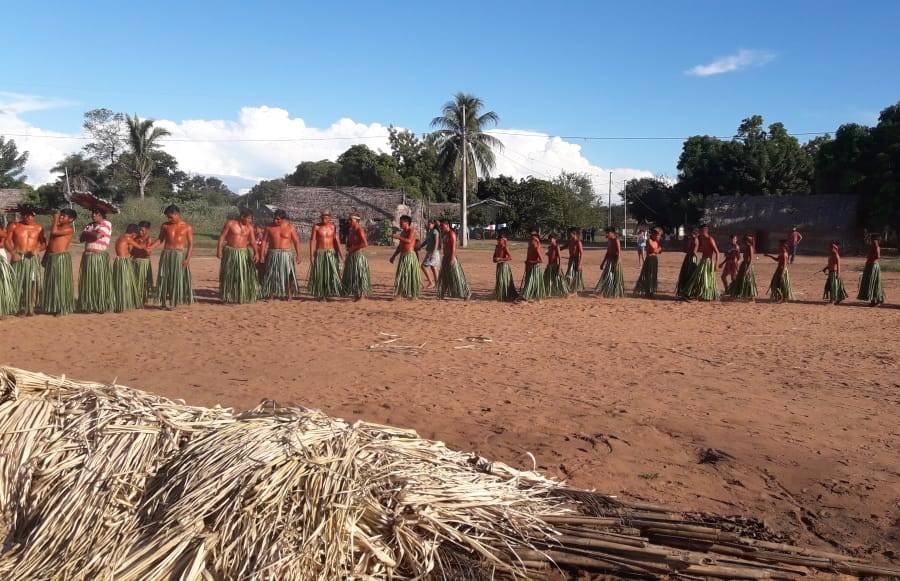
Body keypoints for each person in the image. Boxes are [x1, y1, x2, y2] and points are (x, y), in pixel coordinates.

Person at [4, 207, 46, 316]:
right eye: (26, 215)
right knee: (17, 282)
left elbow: (43, 244)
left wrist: (37, 249)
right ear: (23, 215)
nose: (29, 217)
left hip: (31, 259)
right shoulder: (14, 226)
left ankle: (29, 307)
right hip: (18, 257)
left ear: (34, 215)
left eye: (31, 215)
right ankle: (18, 307)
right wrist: (13, 253)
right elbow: (6, 241)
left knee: (31, 282)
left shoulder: (39, 228)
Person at [216, 209, 260, 304]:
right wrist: (219, 250)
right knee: (229, 275)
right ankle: (228, 297)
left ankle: (241, 296)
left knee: (242, 276)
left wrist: (256, 253)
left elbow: (252, 241)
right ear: (242, 217)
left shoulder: (250, 227)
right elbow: (222, 237)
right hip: (230, 252)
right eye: (248, 218)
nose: (250, 220)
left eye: (251, 218)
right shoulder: (230, 224)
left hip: (243, 253)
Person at [39, 209, 77, 316]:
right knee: (52, 282)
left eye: (63, 216)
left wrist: (55, 218)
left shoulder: (69, 229)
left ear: (71, 219)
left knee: (60, 282)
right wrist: (45, 257)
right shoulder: (57, 227)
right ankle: (53, 305)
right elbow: (51, 243)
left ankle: (62, 307)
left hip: (61, 258)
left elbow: (54, 232)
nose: (60, 217)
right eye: (60, 215)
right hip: (51, 257)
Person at [156, 204, 195, 310]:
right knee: (164, 277)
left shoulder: (187, 227)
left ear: (177, 214)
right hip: (167, 254)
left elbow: (191, 244)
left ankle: (174, 302)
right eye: (167, 217)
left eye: (170, 217)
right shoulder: (165, 226)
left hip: (179, 255)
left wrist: (187, 259)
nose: (169, 219)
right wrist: (151, 247)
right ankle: (163, 302)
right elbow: (160, 239)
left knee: (176, 279)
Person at [76, 208, 113, 314]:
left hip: (98, 256)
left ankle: (101, 305)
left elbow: (97, 236)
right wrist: (90, 232)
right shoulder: (89, 225)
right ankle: (89, 304)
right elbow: (81, 239)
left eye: (96, 214)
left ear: (102, 215)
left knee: (99, 280)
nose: (93, 215)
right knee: (88, 281)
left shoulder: (106, 224)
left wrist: (88, 232)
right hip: (88, 255)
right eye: (93, 213)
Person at [260, 209, 302, 300]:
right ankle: (271, 295)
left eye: (278, 219)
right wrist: (262, 255)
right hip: (273, 253)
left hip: (286, 254)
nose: (275, 220)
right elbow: (264, 241)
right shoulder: (269, 227)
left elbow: (296, 241)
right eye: (274, 218)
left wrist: (298, 255)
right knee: (271, 275)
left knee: (288, 275)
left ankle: (289, 294)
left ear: (283, 219)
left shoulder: (290, 227)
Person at [308, 211, 343, 300]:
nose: (324, 219)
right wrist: (311, 255)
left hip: (331, 253)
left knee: (331, 274)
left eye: (326, 218)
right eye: (323, 217)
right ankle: (321, 294)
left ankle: (328, 292)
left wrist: (341, 254)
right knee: (320, 274)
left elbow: (336, 241)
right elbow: (312, 240)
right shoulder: (316, 227)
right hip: (320, 253)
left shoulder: (333, 227)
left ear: (330, 218)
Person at [112, 224, 145, 313]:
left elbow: (127, 250)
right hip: (123, 262)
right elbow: (140, 247)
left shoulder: (120, 237)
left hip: (118, 261)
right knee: (125, 282)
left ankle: (120, 302)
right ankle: (123, 304)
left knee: (120, 282)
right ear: (133, 233)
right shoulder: (127, 238)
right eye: (135, 235)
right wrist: (143, 243)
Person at [436, 220, 471, 300]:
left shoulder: (451, 234)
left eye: (442, 226)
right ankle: (441, 294)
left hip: (451, 258)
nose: (441, 228)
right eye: (440, 227)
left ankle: (466, 293)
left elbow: (453, 248)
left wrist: (452, 259)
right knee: (444, 276)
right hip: (445, 258)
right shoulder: (444, 234)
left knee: (457, 277)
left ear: (447, 225)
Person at [341, 213, 372, 300]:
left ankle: (361, 294)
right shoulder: (352, 230)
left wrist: (353, 248)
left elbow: (365, 244)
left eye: (351, 220)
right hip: (352, 255)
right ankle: (356, 294)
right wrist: (348, 247)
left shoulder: (359, 230)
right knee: (353, 275)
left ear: (357, 221)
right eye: (349, 220)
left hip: (358, 256)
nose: (349, 221)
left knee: (359, 275)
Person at [685, 225, 720, 301]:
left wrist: (716, 265)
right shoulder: (703, 239)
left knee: (707, 279)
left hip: (708, 262)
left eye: (701, 231)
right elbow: (701, 248)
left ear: (705, 230)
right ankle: (699, 294)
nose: (699, 232)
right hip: (703, 261)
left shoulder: (710, 239)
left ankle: (707, 295)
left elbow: (717, 252)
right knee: (698, 278)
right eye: (699, 231)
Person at [392, 215, 421, 299]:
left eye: (401, 222)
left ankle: (413, 294)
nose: (400, 224)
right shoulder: (402, 232)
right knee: (401, 275)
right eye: (400, 222)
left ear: (407, 222)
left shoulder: (412, 231)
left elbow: (409, 241)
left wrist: (398, 237)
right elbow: (400, 246)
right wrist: (393, 256)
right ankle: (400, 293)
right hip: (403, 256)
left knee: (410, 275)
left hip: (410, 256)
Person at [595, 227, 625, 298]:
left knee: (615, 278)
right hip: (609, 261)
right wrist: (603, 263)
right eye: (606, 233)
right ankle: (605, 292)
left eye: (608, 233)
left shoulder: (616, 240)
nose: (607, 234)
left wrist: (616, 264)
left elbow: (619, 252)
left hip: (615, 261)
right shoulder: (609, 241)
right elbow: (608, 252)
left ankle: (615, 293)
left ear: (612, 233)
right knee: (606, 276)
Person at [726, 234, 758, 300]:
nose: (744, 241)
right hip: (744, 264)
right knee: (741, 279)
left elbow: (751, 259)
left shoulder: (750, 247)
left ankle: (750, 295)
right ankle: (742, 293)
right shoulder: (747, 247)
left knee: (747, 280)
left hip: (747, 265)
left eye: (745, 240)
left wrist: (748, 268)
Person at [857, 234, 885, 306]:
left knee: (873, 283)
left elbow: (878, 256)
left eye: (871, 239)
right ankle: (873, 300)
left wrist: (870, 258)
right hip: (870, 265)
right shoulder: (873, 245)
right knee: (870, 283)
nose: (871, 240)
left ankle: (877, 300)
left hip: (873, 266)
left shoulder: (876, 245)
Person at [633, 228, 662, 298]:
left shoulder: (657, 241)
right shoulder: (649, 240)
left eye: (659, 235)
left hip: (655, 259)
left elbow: (660, 251)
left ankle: (651, 291)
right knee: (649, 275)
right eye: (657, 235)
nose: (659, 237)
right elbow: (654, 250)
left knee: (654, 275)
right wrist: (659, 249)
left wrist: (658, 249)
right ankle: (648, 291)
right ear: (653, 234)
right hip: (649, 260)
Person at [132, 221, 156, 305]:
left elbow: (148, 253)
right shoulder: (135, 237)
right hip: (135, 261)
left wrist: (143, 247)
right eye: (139, 230)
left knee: (143, 282)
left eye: (142, 230)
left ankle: (142, 299)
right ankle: (134, 298)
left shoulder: (148, 239)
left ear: (147, 230)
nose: (140, 232)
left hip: (143, 262)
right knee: (134, 280)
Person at [519, 229, 547, 301]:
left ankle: (529, 295)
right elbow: (528, 257)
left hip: (535, 268)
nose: (531, 238)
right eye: (531, 236)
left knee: (532, 282)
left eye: (533, 236)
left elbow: (541, 260)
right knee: (528, 281)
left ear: (536, 239)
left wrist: (531, 262)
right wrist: (527, 264)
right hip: (529, 267)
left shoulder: (536, 247)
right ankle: (528, 294)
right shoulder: (530, 247)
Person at [492, 229, 517, 301]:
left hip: (504, 267)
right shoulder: (497, 247)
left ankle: (505, 294)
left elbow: (510, 257)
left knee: (504, 281)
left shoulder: (505, 247)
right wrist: (495, 259)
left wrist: (500, 259)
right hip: (499, 267)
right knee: (499, 281)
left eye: (500, 240)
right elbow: (494, 258)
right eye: (498, 240)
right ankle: (500, 294)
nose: (499, 241)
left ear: (503, 240)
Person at [675, 227, 699, 298]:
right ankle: (686, 292)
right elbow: (685, 249)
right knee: (686, 274)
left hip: (691, 258)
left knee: (689, 274)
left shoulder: (694, 239)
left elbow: (693, 251)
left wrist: (695, 258)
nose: (686, 233)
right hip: (689, 257)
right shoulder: (690, 239)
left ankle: (689, 292)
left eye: (687, 232)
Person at [543, 233, 569, 298]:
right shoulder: (549, 247)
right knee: (548, 280)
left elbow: (560, 258)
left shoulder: (556, 247)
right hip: (549, 266)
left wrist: (559, 267)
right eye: (549, 239)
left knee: (559, 280)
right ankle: (549, 292)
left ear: (555, 239)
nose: (549, 240)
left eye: (551, 239)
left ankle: (564, 293)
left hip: (555, 266)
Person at [822, 241, 848, 305]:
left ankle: (832, 300)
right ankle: (836, 299)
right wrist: (825, 268)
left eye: (830, 248)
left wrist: (838, 274)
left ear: (834, 248)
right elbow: (830, 264)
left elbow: (838, 266)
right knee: (831, 287)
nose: (829, 249)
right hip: (831, 273)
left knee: (833, 287)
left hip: (834, 274)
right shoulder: (831, 255)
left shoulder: (836, 256)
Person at [418, 219, 441, 289]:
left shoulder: (435, 231)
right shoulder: (429, 232)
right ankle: (437, 283)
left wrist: (433, 253)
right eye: (428, 223)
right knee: (433, 267)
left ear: (433, 225)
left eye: (430, 224)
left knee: (424, 266)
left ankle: (431, 282)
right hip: (430, 252)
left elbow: (436, 243)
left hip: (433, 252)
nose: (428, 225)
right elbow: (426, 241)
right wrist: (420, 246)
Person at [563, 228, 584, 294]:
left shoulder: (578, 242)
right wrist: (556, 248)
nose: (568, 235)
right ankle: (570, 288)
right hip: (571, 259)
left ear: (574, 234)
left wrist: (580, 264)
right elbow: (564, 247)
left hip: (577, 260)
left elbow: (582, 254)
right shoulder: (570, 241)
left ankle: (575, 290)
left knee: (576, 274)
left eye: (570, 234)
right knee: (569, 274)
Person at [0, 223, 14, 317]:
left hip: (1, 253)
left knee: (3, 280)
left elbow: (4, 236)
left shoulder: (2, 230)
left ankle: (2, 309)